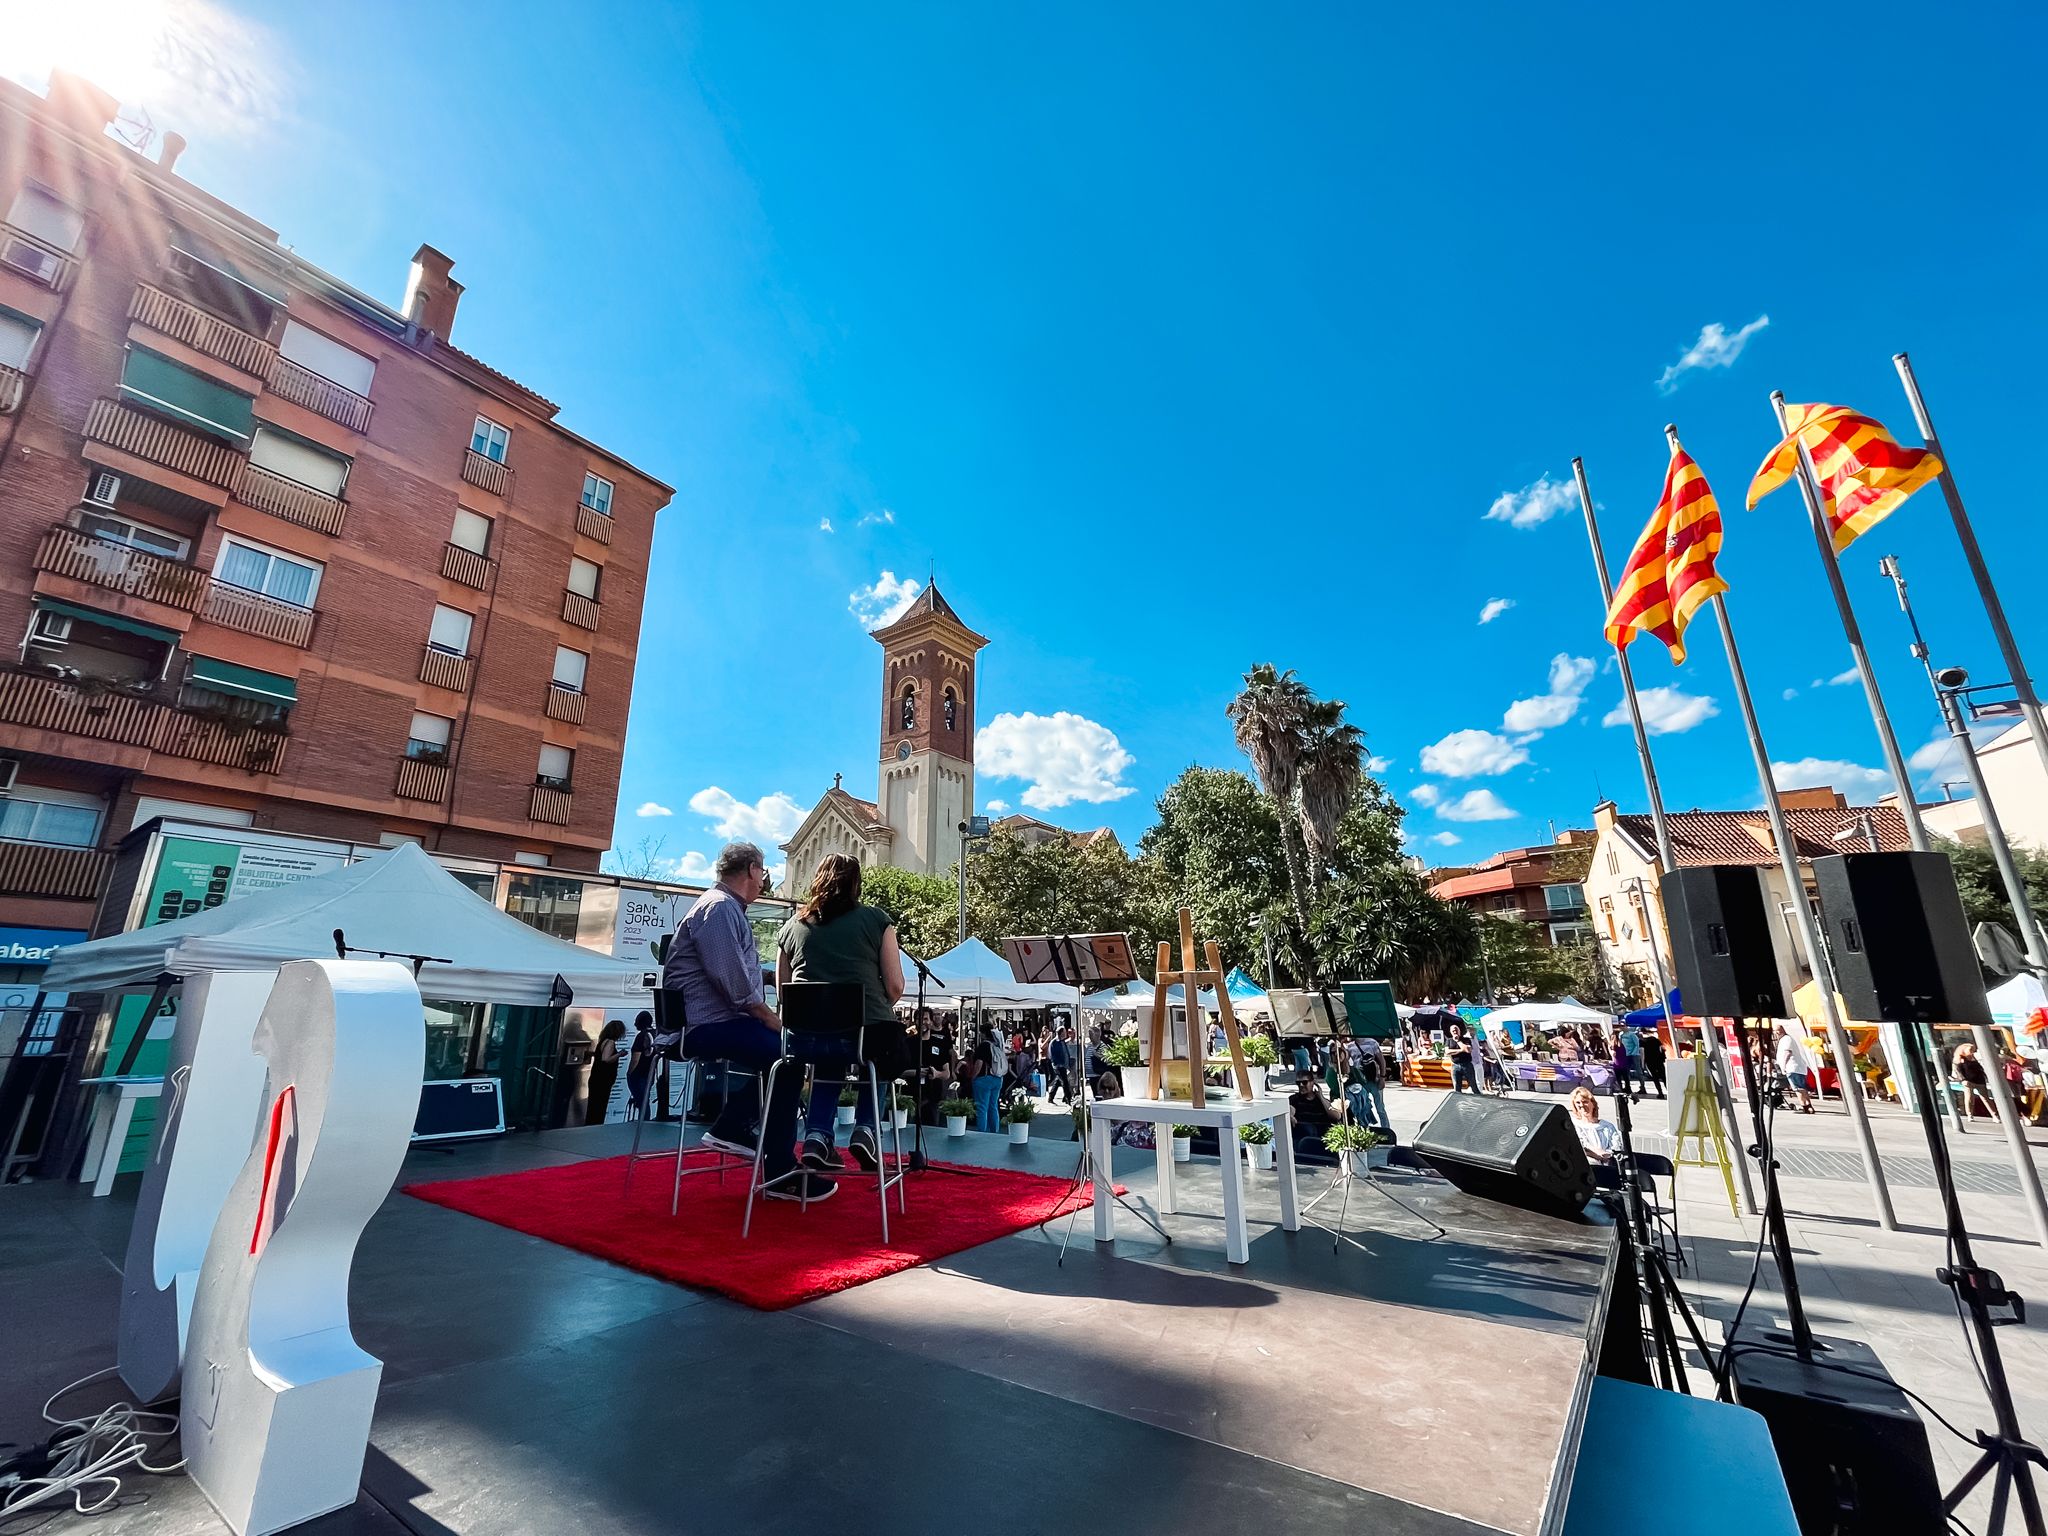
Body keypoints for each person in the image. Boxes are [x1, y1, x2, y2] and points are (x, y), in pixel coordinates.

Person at [664, 842, 835, 1202]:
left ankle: (754, 1142)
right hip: (705, 1026)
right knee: (789, 1056)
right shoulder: (721, 908)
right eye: (763, 872)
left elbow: (733, 970)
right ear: (752, 870)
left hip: (713, 1022)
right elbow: (732, 981)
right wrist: (769, 1016)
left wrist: (772, 977)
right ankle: (758, 1150)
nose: (764, 881)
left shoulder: (724, 907)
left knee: (787, 1057)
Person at [777, 852, 908, 1175]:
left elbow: (783, 993)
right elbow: (895, 986)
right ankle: (866, 1129)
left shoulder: (791, 927)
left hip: (805, 1038)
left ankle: (817, 1136)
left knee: (828, 1056)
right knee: (879, 1053)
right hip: (864, 1033)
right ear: (856, 884)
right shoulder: (877, 920)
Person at [1288, 1070, 1338, 1160]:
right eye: (1298, 1083)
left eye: (1304, 1082)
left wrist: (1321, 1097)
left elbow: (1336, 1116)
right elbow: (1291, 1109)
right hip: (1305, 1139)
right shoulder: (1295, 1099)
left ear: (1312, 1083)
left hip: (1322, 1138)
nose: (1301, 1085)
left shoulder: (1322, 1101)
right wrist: (1290, 1116)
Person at [586, 1018, 626, 1126]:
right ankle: (596, 1126)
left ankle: (590, 1125)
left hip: (596, 1077)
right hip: (603, 1079)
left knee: (593, 1105)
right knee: (600, 1105)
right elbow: (606, 1059)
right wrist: (619, 1054)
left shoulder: (602, 1041)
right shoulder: (611, 1042)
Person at [1568, 1085, 1621, 1163]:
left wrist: (1607, 1156)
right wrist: (1598, 1155)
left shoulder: (1607, 1126)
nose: (1581, 1105)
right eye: (1578, 1102)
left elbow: (1616, 1148)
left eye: (1585, 1102)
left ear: (1593, 1103)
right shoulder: (1573, 1125)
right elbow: (1580, 1147)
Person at [1773, 1023, 1818, 1114]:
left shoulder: (1786, 1039)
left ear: (1779, 1031)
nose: (1775, 1034)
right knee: (1801, 1087)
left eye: (1776, 1032)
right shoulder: (1787, 1039)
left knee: (1798, 1088)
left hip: (1792, 1067)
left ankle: (1805, 1106)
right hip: (1797, 1067)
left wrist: (1784, 1066)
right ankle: (1808, 1105)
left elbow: (1787, 1053)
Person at [1345, 1043, 1389, 1131]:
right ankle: (1365, 1129)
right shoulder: (1349, 1046)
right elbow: (1345, 1062)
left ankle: (1386, 1130)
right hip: (1361, 1081)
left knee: (1380, 1108)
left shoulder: (1371, 1042)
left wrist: (1382, 1078)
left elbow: (1381, 1061)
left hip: (1374, 1079)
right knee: (1363, 1107)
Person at [625, 1010, 657, 1119]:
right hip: (650, 1073)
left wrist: (629, 1073)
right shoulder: (656, 1033)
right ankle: (645, 1122)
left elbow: (635, 1059)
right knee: (645, 1100)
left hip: (638, 1074)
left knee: (641, 1101)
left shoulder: (641, 1036)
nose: (634, 1024)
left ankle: (642, 1123)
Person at [1954, 1042, 1996, 1120]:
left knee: (1985, 1098)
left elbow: (1980, 1069)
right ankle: (1970, 1115)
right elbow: (1957, 1070)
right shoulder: (1960, 1059)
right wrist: (1963, 1079)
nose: (1972, 1051)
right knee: (1969, 1098)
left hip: (1979, 1080)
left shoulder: (1974, 1058)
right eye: (1971, 1050)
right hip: (1968, 1080)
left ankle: (1994, 1115)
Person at [1046, 1026, 1075, 1105]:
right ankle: (1069, 1099)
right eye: (1064, 1032)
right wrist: (1057, 1064)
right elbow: (1052, 1055)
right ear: (1060, 1033)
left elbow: (1065, 1053)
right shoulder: (1054, 1042)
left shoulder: (1062, 1042)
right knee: (1065, 1082)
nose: (1065, 1034)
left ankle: (1051, 1097)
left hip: (1064, 1065)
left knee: (1058, 1081)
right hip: (1058, 1065)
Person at [1640, 1028, 1667, 1099]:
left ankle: (1660, 1093)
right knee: (1663, 1077)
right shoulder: (1655, 1040)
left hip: (1649, 1061)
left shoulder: (1642, 1041)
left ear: (1642, 1033)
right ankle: (1669, 1091)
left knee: (1655, 1078)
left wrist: (1642, 1063)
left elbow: (1642, 1053)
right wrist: (1663, 1057)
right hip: (1659, 1060)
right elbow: (1662, 1049)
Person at [1449, 1026, 1477, 1094]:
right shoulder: (1449, 1040)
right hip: (1455, 1065)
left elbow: (1468, 1050)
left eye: (1456, 1030)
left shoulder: (1466, 1039)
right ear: (1450, 1032)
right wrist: (1461, 1050)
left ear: (1459, 1031)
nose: (1455, 1032)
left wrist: (1458, 1041)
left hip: (1467, 1065)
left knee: (1473, 1085)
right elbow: (1447, 1052)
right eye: (1453, 1030)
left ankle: (1479, 1100)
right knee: (1457, 1087)